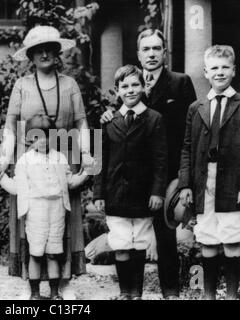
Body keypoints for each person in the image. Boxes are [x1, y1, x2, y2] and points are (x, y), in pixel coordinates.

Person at [0, 25, 94, 299]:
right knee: (32, 222)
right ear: (31, 56)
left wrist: (84, 154)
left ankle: (63, 283)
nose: (45, 54)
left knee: (64, 220)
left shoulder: (70, 84)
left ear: (57, 53)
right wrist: (3, 159)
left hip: (64, 158)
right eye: (39, 50)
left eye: (50, 49)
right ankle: (32, 285)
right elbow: (11, 125)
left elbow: (82, 121)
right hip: (28, 160)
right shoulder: (21, 85)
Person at [99, 29, 197, 299]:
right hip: (133, 175)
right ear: (139, 53)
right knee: (133, 237)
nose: (152, 53)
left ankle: (170, 292)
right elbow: (118, 116)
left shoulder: (180, 82)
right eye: (146, 49)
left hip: (168, 171)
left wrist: (184, 176)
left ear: (164, 52)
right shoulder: (130, 82)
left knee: (166, 238)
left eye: (157, 48)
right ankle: (132, 293)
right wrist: (108, 115)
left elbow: (190, 130)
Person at [0, 115, 89, 300]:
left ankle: (54, 293)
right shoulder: (25, 161)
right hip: (35, 210)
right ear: (30, 138)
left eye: (47, 136)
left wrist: (86, 172)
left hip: (56, 210)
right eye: (37, 137)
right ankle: (35, 293)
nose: (43, 141)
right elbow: (16, 187)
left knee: (54, 253)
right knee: (36, 253)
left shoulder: (60, 158)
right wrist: (0, 177)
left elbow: (69, 182)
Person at [93, 65, 167, 300]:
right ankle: (124, 293)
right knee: (121, 242)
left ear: (144, 87)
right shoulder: (108, 121)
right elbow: (99, 159)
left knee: (139, 242)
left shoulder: (154, 119)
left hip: (143, 194)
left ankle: (137, 294)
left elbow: (160, 159)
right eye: (124, 86)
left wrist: (157, 192)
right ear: (117, 90)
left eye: (135, 85)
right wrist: (98, 193)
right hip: (115, 193)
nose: (131, 90)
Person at [179, 45, 240, 300]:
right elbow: (187, 147)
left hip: (232, 182)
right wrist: (185, 184)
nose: (220, 72)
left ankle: (233, 295)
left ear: (234, 71)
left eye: (225, 67)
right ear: (205, 72)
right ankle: (208, 295)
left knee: (232, 237)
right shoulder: (197, 107)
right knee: (208, 237)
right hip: (204, 180)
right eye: (214, 68)